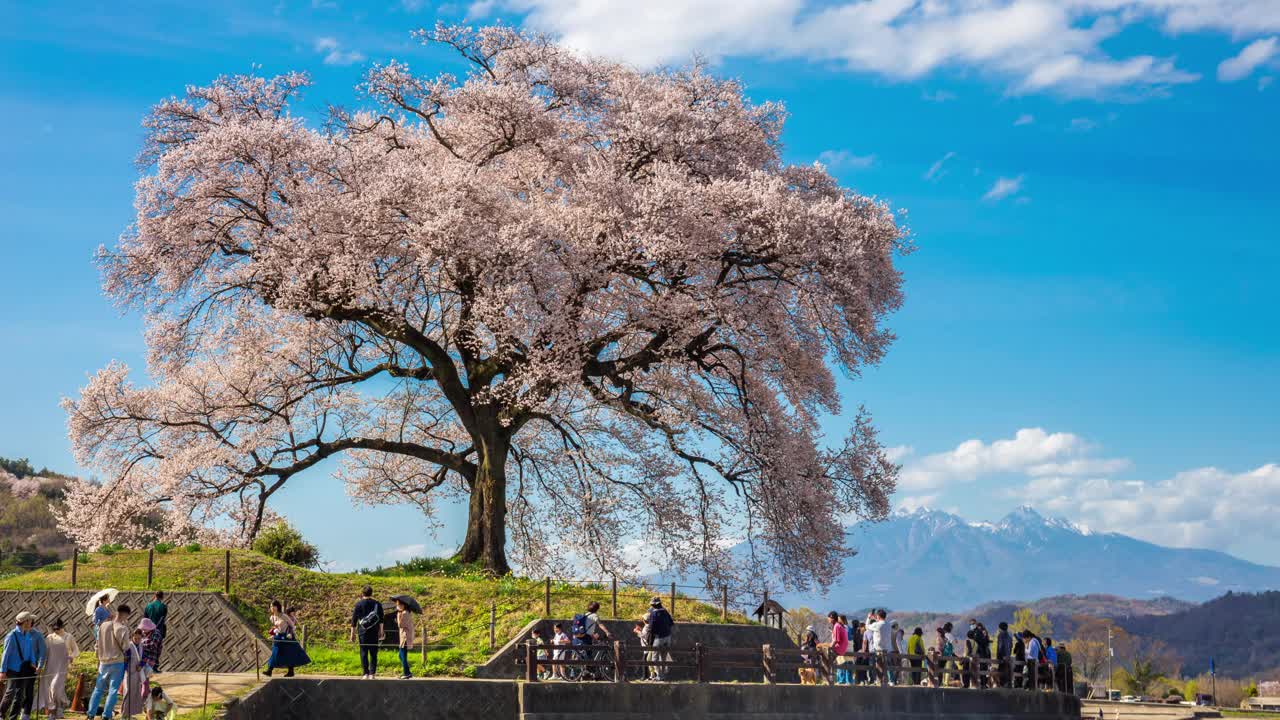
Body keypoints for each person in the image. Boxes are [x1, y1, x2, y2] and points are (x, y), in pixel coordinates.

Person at [87, 603, 132, 720]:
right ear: (125, 615)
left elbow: (97, 644)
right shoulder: (123, 629)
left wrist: (98, 657)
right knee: (113, 690)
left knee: (98, 689)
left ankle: (90, 714)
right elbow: (126, 647)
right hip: (117, 662)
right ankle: (106, 715)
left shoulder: (103, 626)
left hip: (103, 662)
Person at [37, 618, 79, 720]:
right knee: (52, 689)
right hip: (50, 667)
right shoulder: (50, 637)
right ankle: (54, 711)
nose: (56, 630)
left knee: (55, 687)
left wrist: (71, 656)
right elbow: (44, 652)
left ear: (62, 626)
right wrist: (39, 664)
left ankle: (57, 708)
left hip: (62, 667)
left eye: (57, 628)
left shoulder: (68, 637)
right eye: (54, 629)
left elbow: (76, 650)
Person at [1, 611, 39, 720]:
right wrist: (2, 671)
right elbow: (5, 653)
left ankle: (13, 717)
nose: (32, 622)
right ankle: (1, 713)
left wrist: (33, 662)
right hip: (12, 669)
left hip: (24, 669)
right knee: (10, 692)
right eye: (30, 620)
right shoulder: (11, 636)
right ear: (25, 622)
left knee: (20, 695)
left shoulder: (27, 634)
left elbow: (30, 650)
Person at [265, 601, 310, 677]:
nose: (272, 608)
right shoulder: (272, 617)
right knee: (275, 653)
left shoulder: (284, 616)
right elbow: (275, 628)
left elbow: (292, 626)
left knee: (289, 654)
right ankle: (269, 670)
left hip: (287, 637)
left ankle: (290, 671)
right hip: (278, 637)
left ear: (277, 607)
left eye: (274, 606)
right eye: (271, 606)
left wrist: (290, 633)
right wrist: (273, 634)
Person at [349, 586, 384, 680]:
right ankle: (372, 674)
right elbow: (381, 619)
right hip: (374, 631)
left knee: (363, 652)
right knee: (373, 652)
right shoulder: (377, 604)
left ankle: (365, 673)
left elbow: (354, 620)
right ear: (371, 593)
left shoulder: (359, 604)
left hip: (362, 631)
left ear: (362, 593)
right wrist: (381, 631)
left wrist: (352, 634)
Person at [644, 598, 674, 682]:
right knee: (663, 658)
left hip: (658, 638)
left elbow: (651, 628)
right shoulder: (665, 611)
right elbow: (671, 623)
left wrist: (649, 638)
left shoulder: (654, 613)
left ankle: (659, 676)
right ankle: (663, 675)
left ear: (654, 605)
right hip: (668, 637)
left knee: (655, 657)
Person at [119, 628, 146, 719]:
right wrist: (125, 670)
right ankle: (124, 714)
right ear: (132, 637)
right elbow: (125, 660)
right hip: (129, 673)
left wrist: (141, 665)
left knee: (135, 693)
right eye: (135, 638)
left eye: (139, 638)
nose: (137, 640)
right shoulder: (129, 647)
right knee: (128, 693)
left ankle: (130, 714)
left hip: (137, 673)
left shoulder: (142, 646)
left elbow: (144, 658)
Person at [142, 593, 168, 673]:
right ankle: (155, 666)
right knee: (158, 648)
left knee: (147, 646)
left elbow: (145, 618)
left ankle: (146, 664)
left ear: (154, 596)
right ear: (162, 597)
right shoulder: (163, 606)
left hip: (148, 630)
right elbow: (163, 618)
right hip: (158, 630)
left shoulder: (148, 606)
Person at [138, 618, 161, 696]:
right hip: (143, 658)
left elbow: (153, 646)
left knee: (145, 677)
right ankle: (145, 693)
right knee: (142, 677)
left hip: (150, 658)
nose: (143, 631)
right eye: (142, 629)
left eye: (145, 629)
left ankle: (144, 694)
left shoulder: (156, 633)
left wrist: (140, 644)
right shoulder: (144, 633)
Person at [395, 599, 415, 680]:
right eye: (397, 605)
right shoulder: (404, 613)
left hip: (405, 638)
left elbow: (400, 625)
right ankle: (408, 672)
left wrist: (398, 615)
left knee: (402, 655)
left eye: (398, 605)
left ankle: (406, 673)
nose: (397, 606)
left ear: (403, 605)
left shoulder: (405, 613)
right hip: (403, 637)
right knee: (401, 655)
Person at [827, 612, 849, 685]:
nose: (828, 620)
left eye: (829, 618)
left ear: (832, 618)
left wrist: (830, 647)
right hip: (843, 648)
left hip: (839, 648)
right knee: (830, 661)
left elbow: (836, 640)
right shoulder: (840, 625)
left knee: (825, 657)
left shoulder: (837, 626)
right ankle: (830, 678)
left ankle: (830, 679)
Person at [996, 622, 1013, 688]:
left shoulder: (1001, 635)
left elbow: (1000, 646)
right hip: (1008, 656)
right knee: (1007, 669)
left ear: (1000, 628)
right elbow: (1011, 646)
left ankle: (1003, 684)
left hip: (1002, 656)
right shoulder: (1009, 636)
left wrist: (999, 656)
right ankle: (1008, 683)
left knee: (1001, 670)